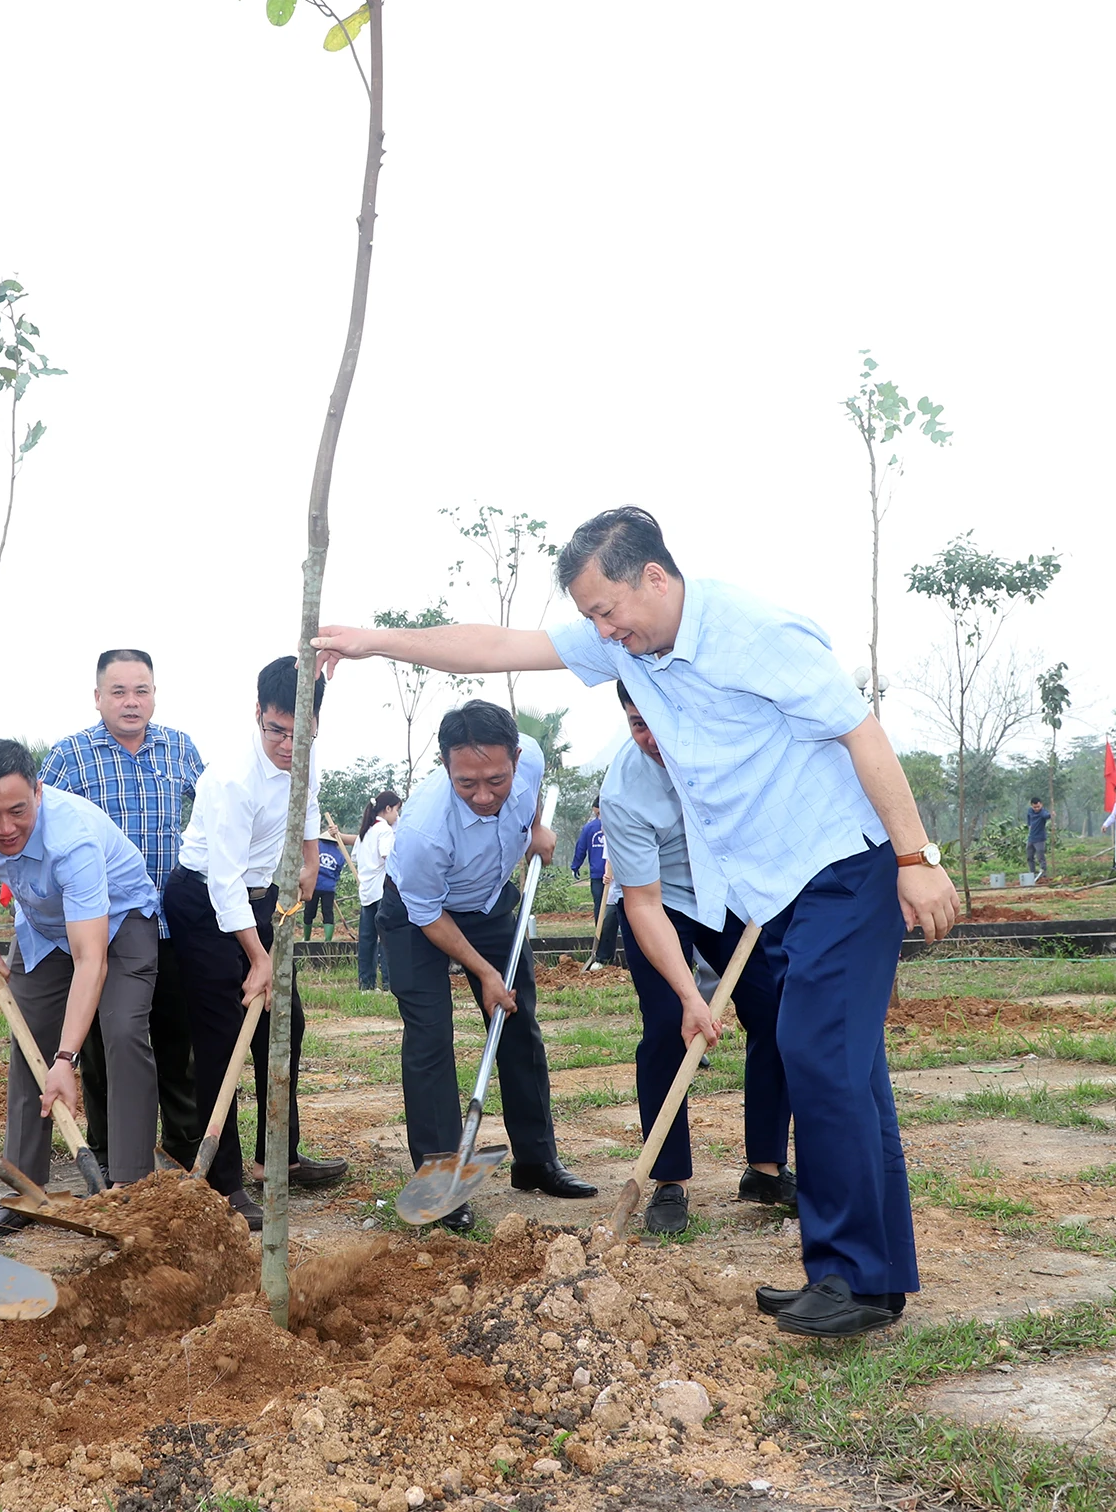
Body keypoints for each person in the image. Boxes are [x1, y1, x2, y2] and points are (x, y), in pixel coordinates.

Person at [316, 507, 959, 1337]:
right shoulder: (625, 646)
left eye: (608, 610)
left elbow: (860, 732)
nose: (602, 631)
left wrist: (916, 857)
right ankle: (873, 1277)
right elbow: (495, 644)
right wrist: (375, 641)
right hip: (784, 888)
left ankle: (848, 1276)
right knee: (849, 1071)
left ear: (654, 576)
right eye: (590, 618)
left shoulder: (754, 632)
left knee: (815, 1053)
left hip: (845, 861)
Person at [375, 699, 592, 1233]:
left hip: (489, 903)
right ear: (445, 765)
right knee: (430, 1037)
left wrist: (535, 827)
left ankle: (536, 1161)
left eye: (496, 780)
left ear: (514, 758)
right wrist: (485, 973)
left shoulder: (530, 756)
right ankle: (440, 1182)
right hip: (419, 916)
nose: (483, 795)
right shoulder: (425, 830)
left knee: (517, 1022)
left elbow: (530, 790)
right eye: (466, 783)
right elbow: (429, 915)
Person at [162, 658, 352, 1229]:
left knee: (285, 1022)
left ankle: (279, 1156)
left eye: (301, 733)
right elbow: (222, 885)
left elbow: (308, 808)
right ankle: (224, 1183)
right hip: (204, 904)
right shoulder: (231, 781)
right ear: (258, 715)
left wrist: (312, 860)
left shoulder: (304, 757)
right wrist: (258, 957)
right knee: (223, 1037)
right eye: (276, 731)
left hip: (260, 899)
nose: (288, 746)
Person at [605, 682, 790, 1235]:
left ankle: (766, 1169)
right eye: (638, 723)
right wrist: (692, 997)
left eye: (660, 719)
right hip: (660, 901)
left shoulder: (730, 748)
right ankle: (669, 1180)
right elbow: (643, 904)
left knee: (775, 1011)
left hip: (728, 895)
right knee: (668, 1025)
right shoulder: (625, 793)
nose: (651, 736)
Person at [0, 740, 162, 1209]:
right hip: (43, 925)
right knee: (29, 1038)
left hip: (119, 921)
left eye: (18, 811)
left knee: (123, 1031)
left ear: (38, 792)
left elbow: (90, 959)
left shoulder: (72, 840)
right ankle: (26, 1189)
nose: (5, 828)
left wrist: (66, 1060)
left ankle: (130, 1188)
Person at [39, 650, 206, 1180]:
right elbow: (39, 825)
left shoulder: (180, 749)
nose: (131, 702)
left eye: (141, 691)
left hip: (171, 922)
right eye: (118, 692)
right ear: (97, 698)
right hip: (101, 927)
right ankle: (111, 1157)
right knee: (103, 1047)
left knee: (177, 1042)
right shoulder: (70, 756)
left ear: (154, 695)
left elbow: (209, 817)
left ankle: (183, 1153)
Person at [322, 792, 402, 991]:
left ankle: (366, 984)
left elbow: (357, 855)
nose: (397, 815)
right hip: (382, 891)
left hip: (366, 891)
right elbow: (388, 857)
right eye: (397, 810)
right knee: (387, 937)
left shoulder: (367, 830)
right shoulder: (384, 830)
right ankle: (389, 983)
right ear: (388, 808)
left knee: (367, 939)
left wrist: (339, 835)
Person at [305, 834, 348, 941]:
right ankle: (328, 940)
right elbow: (337, 873)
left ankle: (306, 938)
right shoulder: (339, 855)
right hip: (329, 888)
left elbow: (308, 863)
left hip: (313, 885)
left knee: (309, 911)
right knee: (328, 912)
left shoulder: (316, 848)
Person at [571, 800, 608, 922]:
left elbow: (581, 849)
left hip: (598, 874)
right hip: (614, 874)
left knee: (599, 905)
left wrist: (575, 866)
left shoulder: (589, 828)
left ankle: (601, 930)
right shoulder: (618, 824)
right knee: (615, 905)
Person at [1024, 798, 1051, 883]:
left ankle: (1043, 874)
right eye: (1034, 807)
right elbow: (1029, 820)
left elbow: (1047, 816)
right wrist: (1029, 826)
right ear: (1031, 806)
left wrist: (1051, 815)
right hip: (1031, 838)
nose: (1036, 809)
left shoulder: (1043, 812)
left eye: (1038, 807)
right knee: (1029, 857)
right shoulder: (1030, 811)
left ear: (1041, 805)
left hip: (1040, 839)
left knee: (1040, 857)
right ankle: (1032, 873)